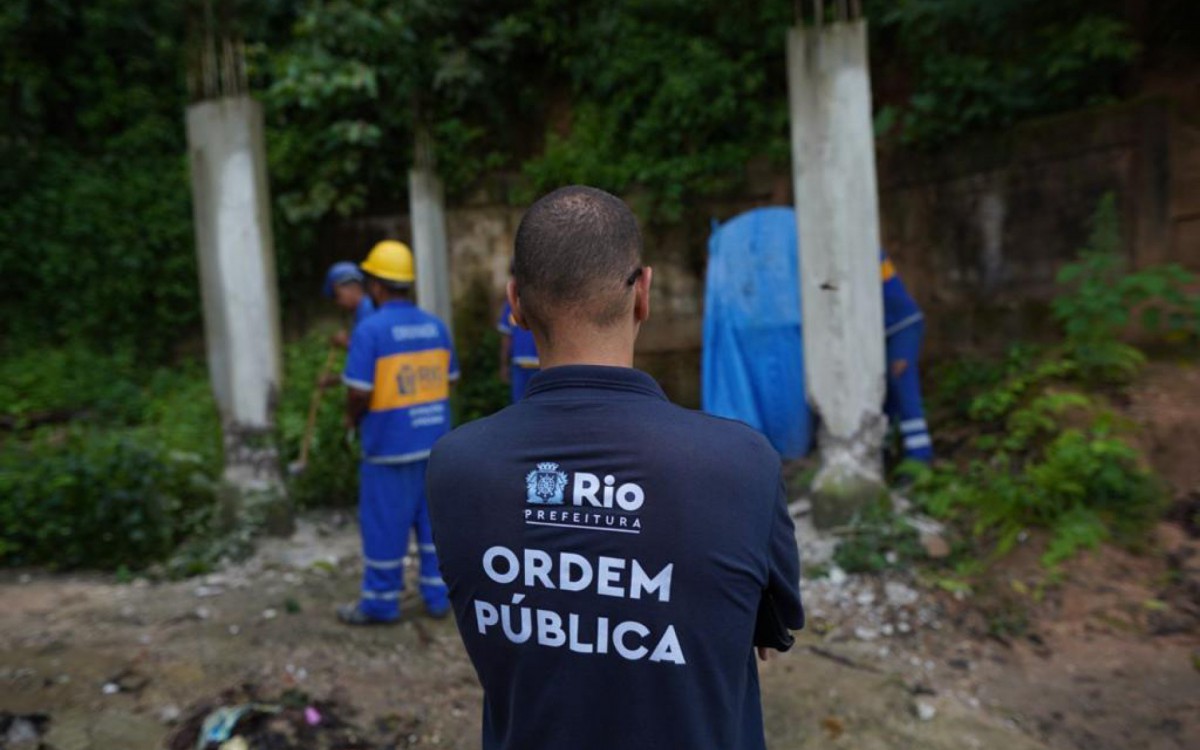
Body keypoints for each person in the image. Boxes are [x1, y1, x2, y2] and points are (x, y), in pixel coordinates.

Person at [427, 186, 804, 750]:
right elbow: (770, 624)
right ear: (643, 293)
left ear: (515, 303)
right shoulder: (743, 463)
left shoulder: (455, 466)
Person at [339, 240, 458, 624]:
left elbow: (359, 392)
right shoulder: (436, 326)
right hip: (434, 446)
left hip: (388, 449)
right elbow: (450, 379)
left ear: (376, 285)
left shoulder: (370, 330)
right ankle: (438, 597)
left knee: (384, 527)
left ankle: (380, 602)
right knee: (433, 526)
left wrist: (351, 419)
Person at [881, 251, 933, 463]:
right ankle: (884, 455)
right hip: (881, 333)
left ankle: (919, 458)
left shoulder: (864, 249)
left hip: (902, 325)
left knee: (902, 383)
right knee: (883, 395)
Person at [497, 264, 540, 401]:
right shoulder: (510, 306)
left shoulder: (542, 302)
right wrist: (504, 364)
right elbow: (506, 337)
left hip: (541, 365)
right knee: (520, 405)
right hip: (519, 365)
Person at [323, 261, 376, 349]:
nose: (338, 303)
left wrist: (346, 342)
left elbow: (368, 350)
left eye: (337, 296)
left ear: (350, 288)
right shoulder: (362, 309)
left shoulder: (367, 310)